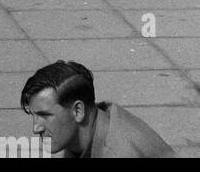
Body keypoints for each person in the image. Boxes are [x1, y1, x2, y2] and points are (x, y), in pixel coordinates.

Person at [20, 61, 175, 158]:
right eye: (34, 115)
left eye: (45, 115)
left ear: (78, 111)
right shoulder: (96, 120)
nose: (36, 128)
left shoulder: (119, 152)